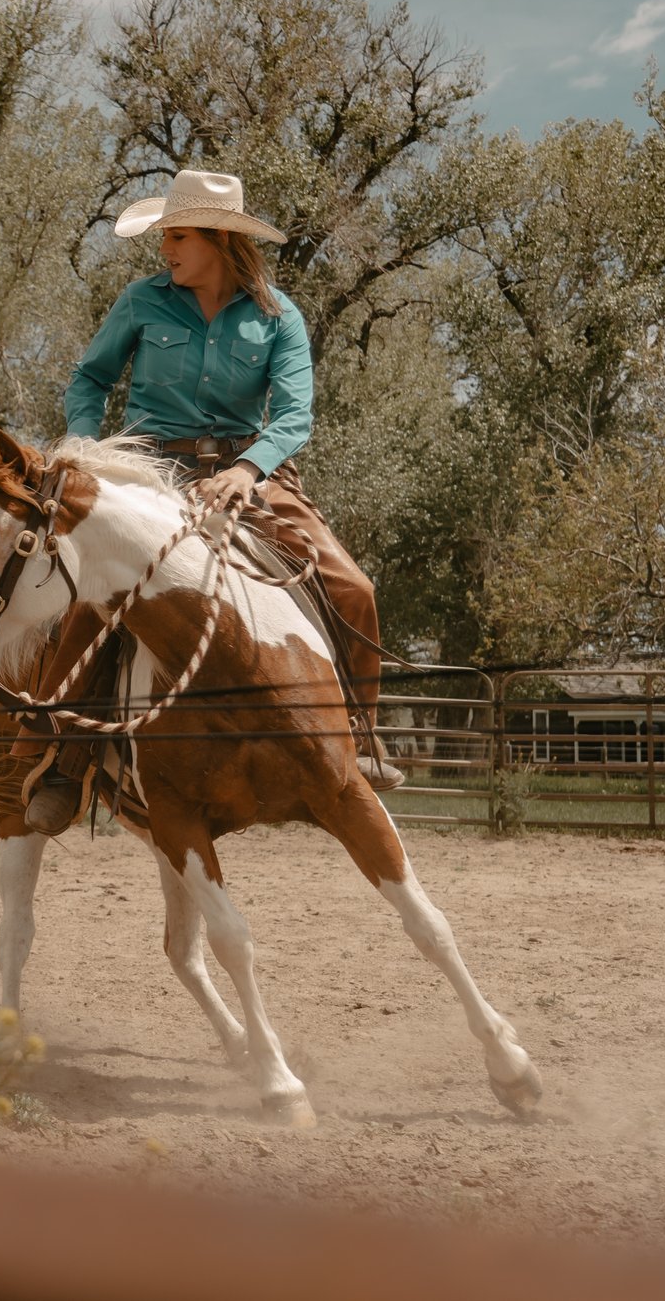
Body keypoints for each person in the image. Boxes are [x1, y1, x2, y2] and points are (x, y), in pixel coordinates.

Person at [21, 168, 398, 835]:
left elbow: (295, 415)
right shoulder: (142, 302)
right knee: (101, 593)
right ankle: (64, 760)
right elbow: (90, 379)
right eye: (165, 233)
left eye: (180, 234)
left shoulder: (279, 317)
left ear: (221, 241)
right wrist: (86, 452)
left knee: (354, 588)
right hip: (149, 469)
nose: (166, 246)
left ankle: (360, 746)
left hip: (251, 473)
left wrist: (249, 469)